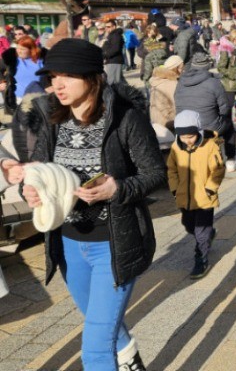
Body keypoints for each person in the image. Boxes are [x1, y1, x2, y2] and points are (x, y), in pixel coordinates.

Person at [16, 38, 165, 371]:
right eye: (53, 76)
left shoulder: (125, 118)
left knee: (95, 348)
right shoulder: (53, 119)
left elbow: (156, 173)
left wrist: (117, 188)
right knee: (100, 321)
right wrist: (31, 189)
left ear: (92, 77)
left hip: (113, 245)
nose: (58, 84)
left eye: (67, 76)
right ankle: (129, 356)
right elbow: (38, 169)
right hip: (68, 245)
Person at [168, 110, 225, 279]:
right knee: (188, 225)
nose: (187, 140)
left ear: (198, 132)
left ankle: (201, 259)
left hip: (205, 197)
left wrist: (210, 188)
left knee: (201, 231)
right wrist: (174, 188)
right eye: (183, 137)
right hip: (184, 197)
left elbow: (218, 170)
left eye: (191, 136)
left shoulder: (210, 146)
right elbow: (171, 170)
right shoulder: (175, 148)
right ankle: (208, 235)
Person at [174, 52, 229, 137]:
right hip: (209, 129)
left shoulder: (180, 83)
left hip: (184, 128)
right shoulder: (214, 82)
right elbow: (224, 109)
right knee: (228, 123)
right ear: (208, 66)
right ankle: (225, 145)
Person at [216, 29, 236, 171]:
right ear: (233, 39)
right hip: (229, 86)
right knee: (226, 115)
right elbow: (220, 67)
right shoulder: (226, 49)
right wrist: (233, 75)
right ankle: (228, 153)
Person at [0, 35, 44, 115]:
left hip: (40, 99)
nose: (19, 51)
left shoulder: (41, 61)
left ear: (31, 49)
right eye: (18, 48)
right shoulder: (13, 61)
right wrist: (1, 82)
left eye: (22, 49)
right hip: (20, 100)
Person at [149, 55, 184, 131]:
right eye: (181, 68)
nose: (183, 71)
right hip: (168, 123)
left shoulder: (157, 80)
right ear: (175, 69)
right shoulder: (172, 84)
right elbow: (177, 106)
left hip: (155, 121)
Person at [102, 20, 125, 85]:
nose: (107, 28)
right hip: (111, 61)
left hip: (114, 61)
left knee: (113, 82)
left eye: (108, 27)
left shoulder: (115, 35)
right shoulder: (111, 35)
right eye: (106, 27)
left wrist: (105, 55)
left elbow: (115, 49)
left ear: (114, 27)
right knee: (117, 81)